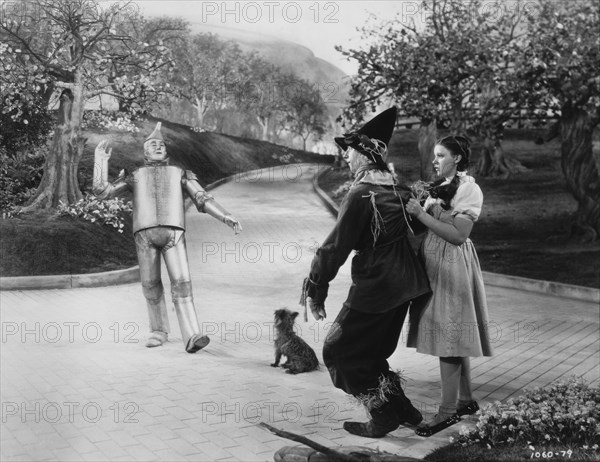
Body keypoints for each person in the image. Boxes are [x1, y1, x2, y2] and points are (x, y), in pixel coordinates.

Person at [301, 107, 432, 438]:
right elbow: (415, 226)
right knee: (369, 354)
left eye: (350, 149)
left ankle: (382, 414)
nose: (346, 156)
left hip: (378, 288)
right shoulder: (399, 190)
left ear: (367, 152)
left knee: (337, 352)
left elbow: (334, 248)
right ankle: (403, 410)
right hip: (407, 286)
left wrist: (316, 288)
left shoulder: (361, 194)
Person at [93, 122, 242, 353]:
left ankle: (192, 334)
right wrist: (100, 162)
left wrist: (225, 216)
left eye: (161, 144)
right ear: (145, 151)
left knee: (182, 283)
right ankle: (158, 330)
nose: (158, 147)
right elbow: (103, 192)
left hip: (174, 234)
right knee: (150, 284)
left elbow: (202, 198)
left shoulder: (180, 173)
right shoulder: (135, 175)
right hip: (144, 234)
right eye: (153, 144)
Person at [405, 135, 493, 437]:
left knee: (449, 335)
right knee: (452, 333)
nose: (435, 160)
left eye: (441, 155)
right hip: (436, 262)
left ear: (457, 158)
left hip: (452, 263)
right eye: (434, 155)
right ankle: (465, 401)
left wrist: (422, 213)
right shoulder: (442, 187)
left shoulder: (469, 188)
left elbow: (458, 235)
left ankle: (448, 411)